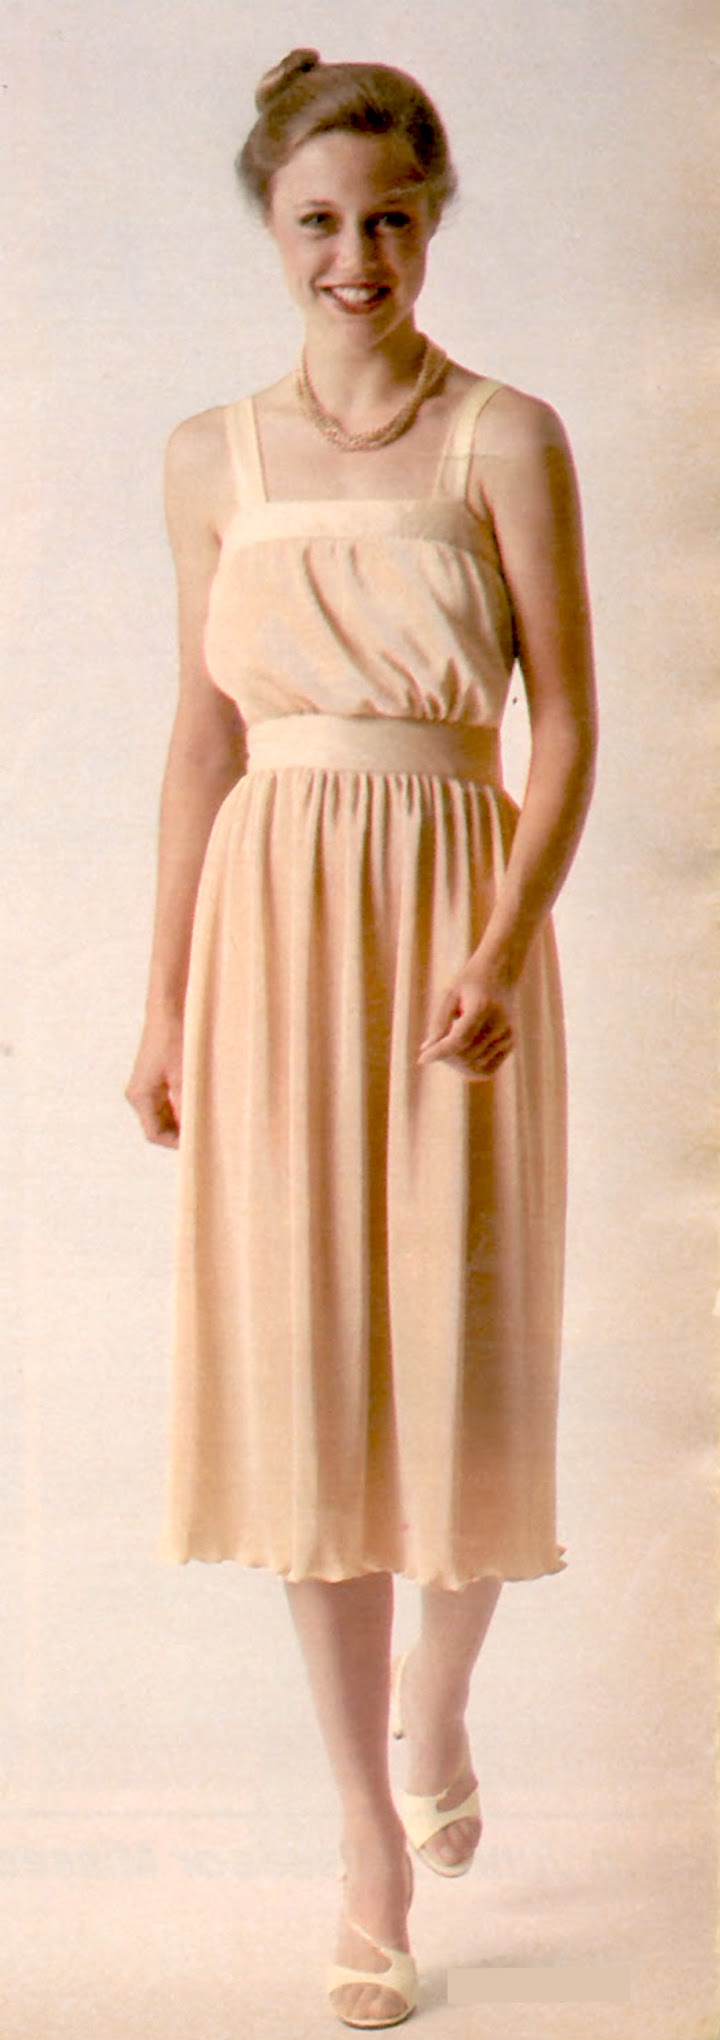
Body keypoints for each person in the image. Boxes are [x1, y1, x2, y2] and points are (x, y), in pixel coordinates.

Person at [126, 47, 597, 2031]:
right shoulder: (208, 459)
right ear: (271, 225)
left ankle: (442, 1698)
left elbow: (565, 725)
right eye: (319, 219)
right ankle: (364, 1846)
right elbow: (201, 741)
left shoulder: (506, 436)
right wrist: (163, 997)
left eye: (391, 217)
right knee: (311, 1373)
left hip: (455, 930)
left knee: (463, 1356)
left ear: (434, 220)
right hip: (270, 931)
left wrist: (506, 935)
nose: (356, 254)